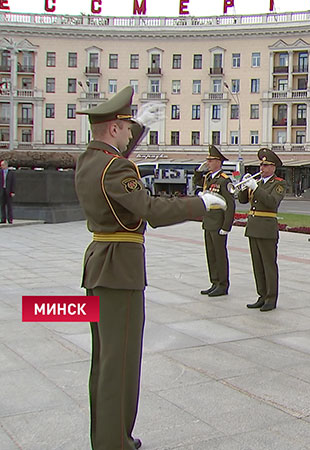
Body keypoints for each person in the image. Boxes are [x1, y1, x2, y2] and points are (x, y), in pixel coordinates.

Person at [74, 86, 225, 450]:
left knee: (104, 359)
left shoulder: (88, 160)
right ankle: (114, 442)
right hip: (119, 271)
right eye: (126, 127)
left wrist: (138, 124)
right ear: (113, 128)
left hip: (99, 265)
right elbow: (152, 211)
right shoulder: (116, 168)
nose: (130, 134)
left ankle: (106, 436)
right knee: (120, 363)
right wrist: (200, 203)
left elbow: (115, 154)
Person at [238, 148, 287, 311]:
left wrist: (256, 188)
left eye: (266, 165)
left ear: (273, 167)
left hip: (267, 229)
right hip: (253, 227)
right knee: (257, 264)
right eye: (261, 165)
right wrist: (245, 186)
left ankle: (271, 298)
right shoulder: (257, 182)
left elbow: (272, 202)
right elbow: (243, 200)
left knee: (268, 265)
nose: (262, 168)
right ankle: (261, 295)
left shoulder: (279, 183)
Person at [193, 145, 235, 297]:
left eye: (210, 160)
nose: (208, 163)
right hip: (208, 222)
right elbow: (196, 184)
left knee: (219, 254)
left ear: (218, 162)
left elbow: (230, 204)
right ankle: (214, 282)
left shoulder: (224, 180)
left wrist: (226, 226)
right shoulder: (208, 178)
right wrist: (198, 171)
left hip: (218, 223)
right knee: (211, 254)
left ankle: (223, 285)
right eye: (208, 160)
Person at [0, 159, 14, 224]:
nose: (1, 166)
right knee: (2, 205)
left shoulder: (11, 173)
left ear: (6, 165)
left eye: (2, 165)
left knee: (9, 205)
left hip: (8, 191)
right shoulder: (0, 172)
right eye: (1, 165)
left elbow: (13, 183)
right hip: (2, 190)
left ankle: (10, 219)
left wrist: (12, 191)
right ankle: (3, 219)